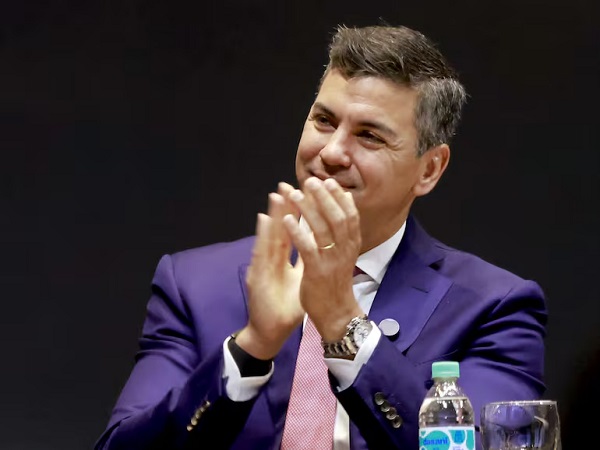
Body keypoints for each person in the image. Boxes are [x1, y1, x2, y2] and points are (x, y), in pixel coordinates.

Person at [95, 24, 547, 450]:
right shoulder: (193, 284)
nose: (331, 152)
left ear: (429, 169)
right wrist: (252, 347)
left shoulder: (493, 307)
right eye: (324, 121)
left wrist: (344, 325)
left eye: (369, 136)